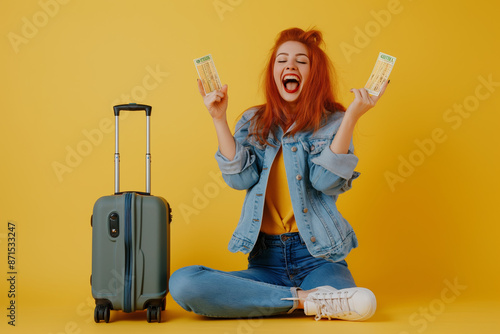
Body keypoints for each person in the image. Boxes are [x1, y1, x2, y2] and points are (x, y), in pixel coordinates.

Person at [169, 27, 389, 321]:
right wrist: (219, 119)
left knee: (363, 304)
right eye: (282, 60)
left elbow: (325, 182)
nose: (290, 66)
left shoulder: (335, 121)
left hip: (319, 259)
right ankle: (306, 301)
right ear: (273, 71)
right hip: (265, 263)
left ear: (314, 73)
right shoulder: (253, 120)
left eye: (301, 61)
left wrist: (351, 117)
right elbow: (239, 179)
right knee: (184, 283)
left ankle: (281, 301)